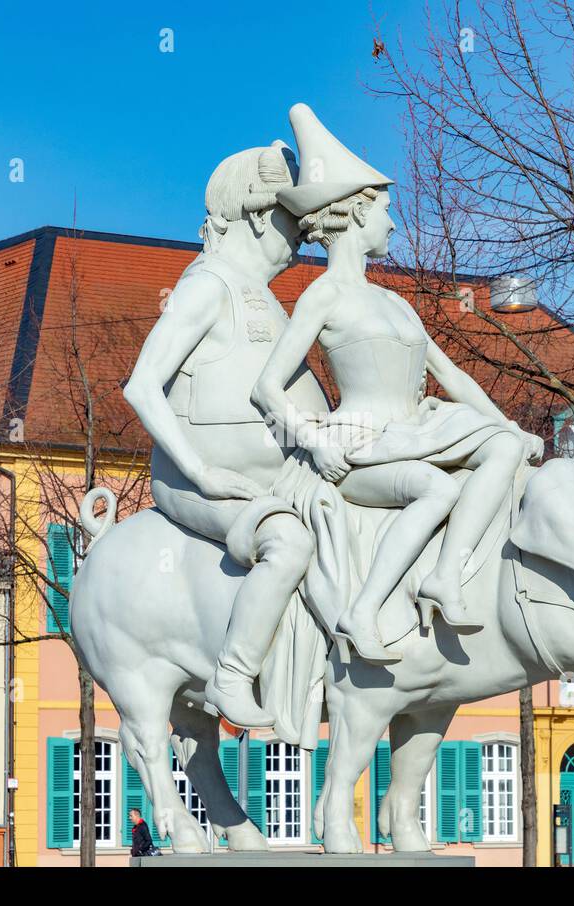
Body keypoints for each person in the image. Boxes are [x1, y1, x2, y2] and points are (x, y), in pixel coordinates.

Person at [254, 105, 542, 664]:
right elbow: (269, 386)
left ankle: (444, 575)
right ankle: (363, 611)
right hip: (361, 445)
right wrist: (312, 441)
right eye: (385, 211)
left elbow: (451, 376)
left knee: (504, 446)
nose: (392, 224)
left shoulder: (397, 303)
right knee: (438, 489)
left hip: (416, 429)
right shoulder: (324, 296)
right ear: (355, 215)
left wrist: (508, 425)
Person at [123, 140, 331, 728]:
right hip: (201, 483)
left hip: (274, 476)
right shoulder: (208, 284)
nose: (305, 235)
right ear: (261, 216)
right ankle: (234, 674)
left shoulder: (262, 296)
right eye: (296, 220)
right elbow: (142, 385)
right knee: (288, 543)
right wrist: (199, 470)